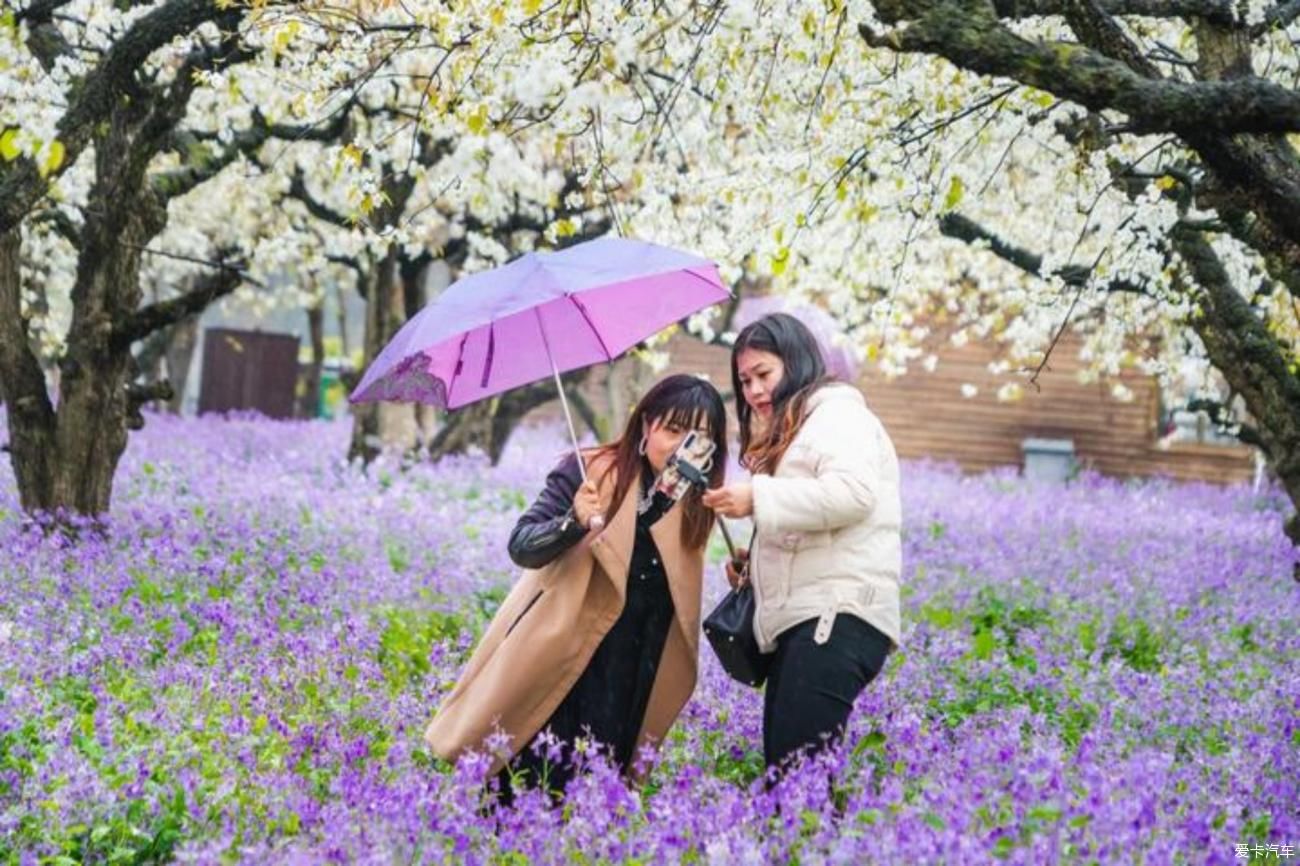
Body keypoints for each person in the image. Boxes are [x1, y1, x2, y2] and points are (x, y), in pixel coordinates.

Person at [424, 374, 728, 803]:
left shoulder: (697, 503)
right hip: (562, 658)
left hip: (630, 676)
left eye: (699, 436)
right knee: (525, 784)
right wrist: (571, 521)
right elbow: (522, 546)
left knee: (593, 801)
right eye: (672, 430)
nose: (681, 446)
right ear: (646, 426)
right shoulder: (591, 470)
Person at [702, 312, 901, 774]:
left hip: (836, 615)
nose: (752, 391)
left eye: (763, 374)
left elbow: (852, 495)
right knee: (789, 780)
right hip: (810, 618)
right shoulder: (798, 429)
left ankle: (809, 849)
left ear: (796, 362)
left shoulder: (837, 415)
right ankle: (799, 848)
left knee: (798, 780)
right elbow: (815, 520)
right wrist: (755, 564)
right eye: (744, 380)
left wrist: (757, 497)